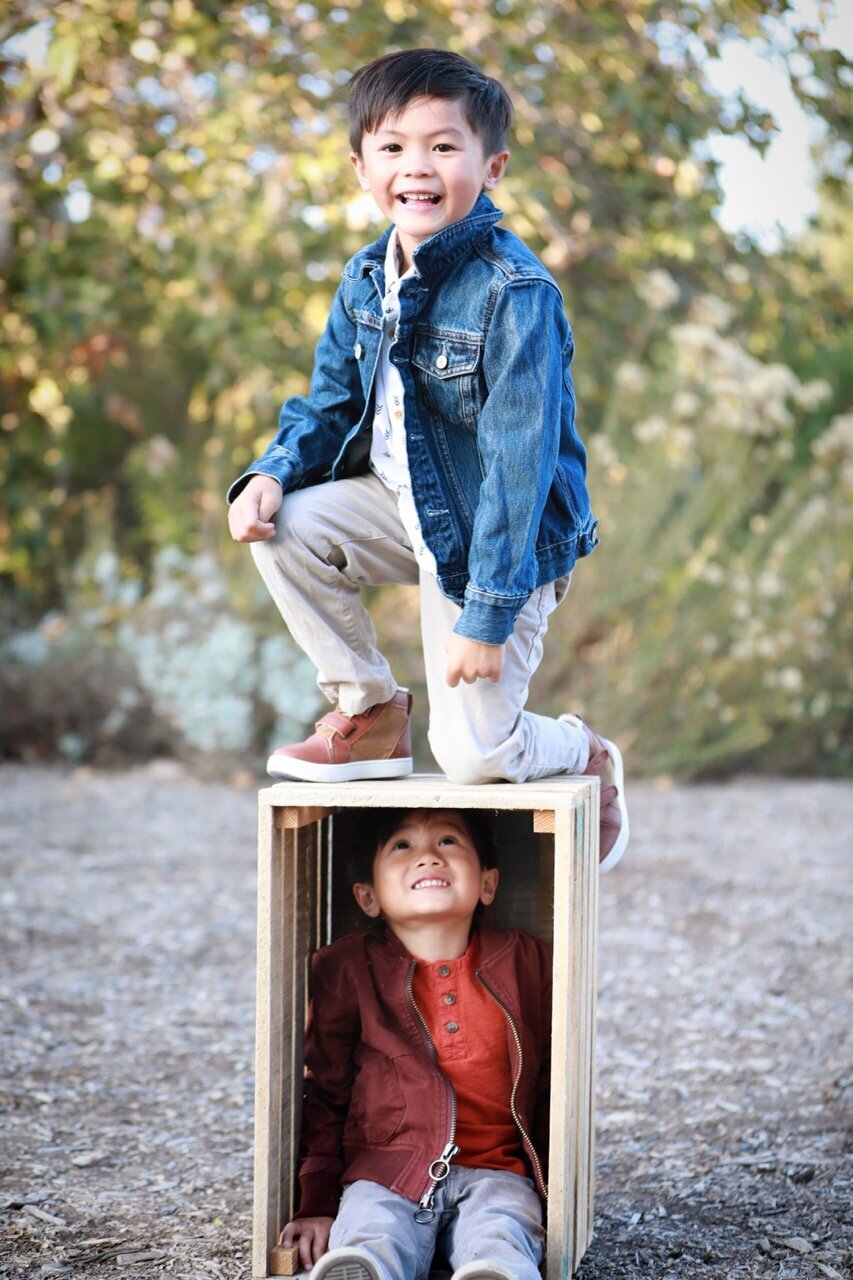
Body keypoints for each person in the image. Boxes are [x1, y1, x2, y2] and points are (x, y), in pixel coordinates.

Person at [227, 48, 628, 869]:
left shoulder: (513, 292)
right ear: (360, 165)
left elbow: (518, 468)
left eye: (444, 147)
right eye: (393, 147)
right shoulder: (364, 277)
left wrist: (486, 613)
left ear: (492, 165)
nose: (418, 167)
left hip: (496, 541)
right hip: (401, 506)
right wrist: (269, 472)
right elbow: (329, 404)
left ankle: (582, 750)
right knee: (290, 523)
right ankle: (368, 708)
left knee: (474, 757)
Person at [280, 806, 553, 1280]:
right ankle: (363, 1271)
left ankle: (494, 1273)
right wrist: (317, 1202)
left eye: (448, 841)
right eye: (402, 846)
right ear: (368, 897)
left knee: (502, 1229)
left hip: (497, 1171)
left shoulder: (526, 962)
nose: (428, 857)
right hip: (385, 1171)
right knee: (369, 1227)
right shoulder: (350, 970)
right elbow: (324, 1090)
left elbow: (556, 1075)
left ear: (488, 884)